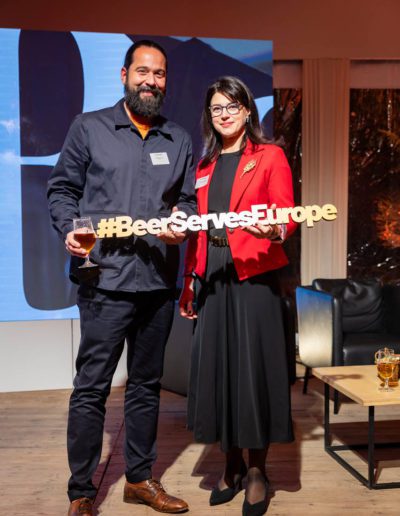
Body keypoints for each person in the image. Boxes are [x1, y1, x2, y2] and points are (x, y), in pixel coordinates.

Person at [48, 40, 196, 516]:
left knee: (146, 385)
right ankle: (81, 492)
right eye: (143, 71)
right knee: (92, 388)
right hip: (103, 281)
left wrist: (182, 221)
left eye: (159, 74)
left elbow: (187, 201)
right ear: (124, 75)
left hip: (157, 282)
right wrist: (70, 228)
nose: (151, 81)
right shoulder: (88, 127)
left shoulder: (179, 139)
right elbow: (62, 189)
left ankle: (139, 479)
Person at [179, 76, 296, 516]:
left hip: (255, 275)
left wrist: (276, 228)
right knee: (220, 372)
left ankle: (257, 471)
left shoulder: (270, 155)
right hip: (213, 276)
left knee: (254, 373)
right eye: (216, 108)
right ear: (209, 116)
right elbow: (197, 231)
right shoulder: (204, 166)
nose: (224, 114)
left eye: (232, 106)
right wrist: (190, 281)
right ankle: (230, 465)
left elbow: (287, 213)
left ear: (247, 111)